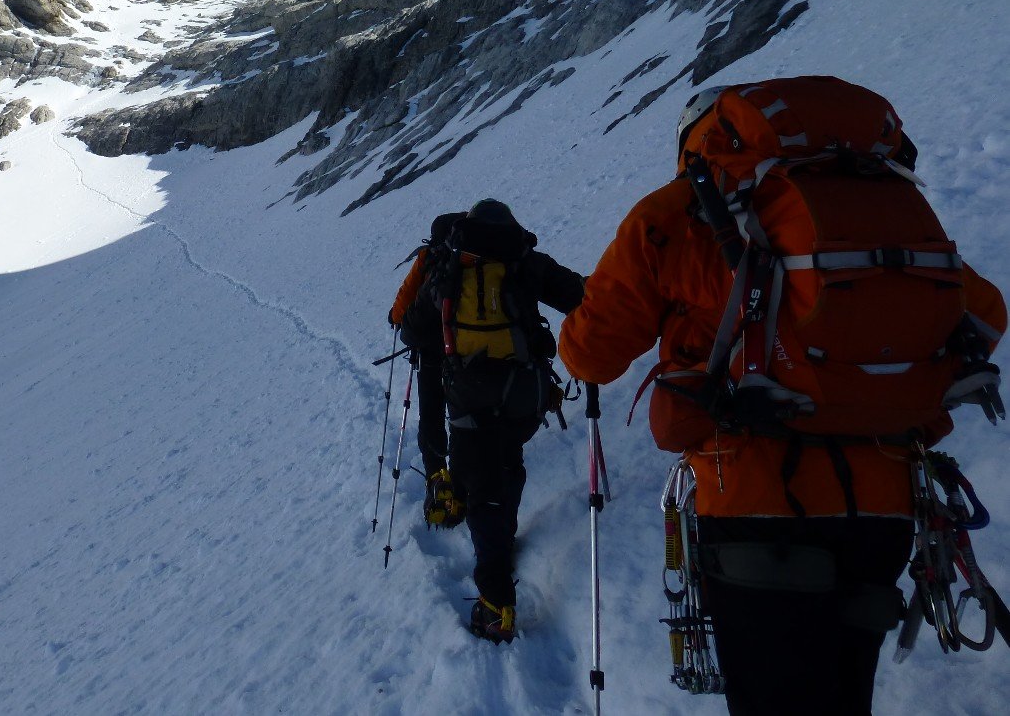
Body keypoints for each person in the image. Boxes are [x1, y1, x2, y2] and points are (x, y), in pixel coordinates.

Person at [559, 83, 1007, 715]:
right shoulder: (884, 204)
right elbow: (985, 315)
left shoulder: (680, 211)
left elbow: (589, 354)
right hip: (883, 504)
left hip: (752, 497)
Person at [404, 198, 584, 644]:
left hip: (469, 397)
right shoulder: (524, 260)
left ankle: (495, 600)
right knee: (506, 462)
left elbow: (412, 329)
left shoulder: (449, 268)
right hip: (526, 394)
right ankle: (500, 529)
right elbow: (581, 295)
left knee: (483, 487)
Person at [389, 211, 466, 526]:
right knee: (465, 418)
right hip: (472, 356)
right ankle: (465, 477)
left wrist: (399, 318)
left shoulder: (428, 260)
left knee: (432, 415)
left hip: (433, 354)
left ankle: (437, 476)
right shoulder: (480, 259)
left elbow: (399, 310)